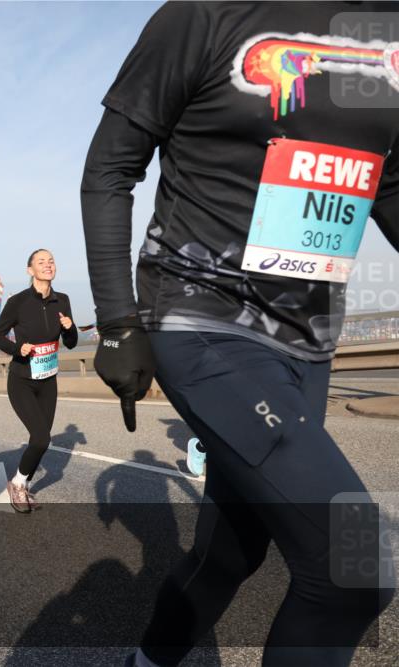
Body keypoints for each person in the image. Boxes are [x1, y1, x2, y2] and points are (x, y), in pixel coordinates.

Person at [80, 3, 397, 665]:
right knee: (351, 566)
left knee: (232, 548)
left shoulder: (379, 31)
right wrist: (116, 323)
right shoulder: (207, 13)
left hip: (307, 338)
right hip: (202, 317)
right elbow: (111, 167)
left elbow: (387, 181)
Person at [0, 249, 78, 513]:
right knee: (41, 438)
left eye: (51, 261)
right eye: (41, 262)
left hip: (48, 380)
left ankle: (22, 484)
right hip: (22, 381)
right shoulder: (18, 301)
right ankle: (17, 484)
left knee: (41, 440)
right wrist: (19, 349)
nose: (48, 265)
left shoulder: (62, 300)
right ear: (30, 270)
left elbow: (72, 344)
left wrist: (70, 327)